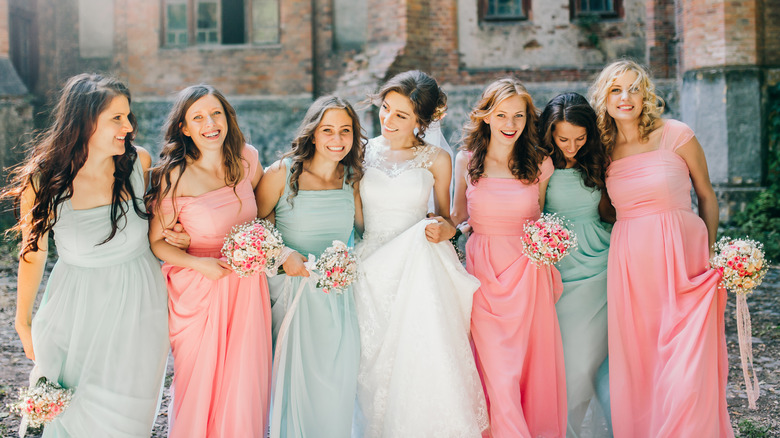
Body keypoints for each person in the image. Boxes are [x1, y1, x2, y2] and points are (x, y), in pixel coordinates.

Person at [2, 73, 171, 436]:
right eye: (116, 118)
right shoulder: (44, 181)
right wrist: (23, 320)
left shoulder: (137, 163)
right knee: (71, 410)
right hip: (75, 309)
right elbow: (33, 253)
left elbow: (164, 221)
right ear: (85, 121)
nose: (128, 126)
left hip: (139, 305)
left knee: (127, 410)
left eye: (128, 116)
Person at [589, 60, 732, 437]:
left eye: (634, 88)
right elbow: (606, 209)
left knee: (688, 359)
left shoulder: (677, 135)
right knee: (642, 359)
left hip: (685, 259)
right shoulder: (601, 151)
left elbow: (706, 195)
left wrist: (711, 255)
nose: (625, 97)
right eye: (616, 90)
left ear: (646, 94)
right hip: (632, 264)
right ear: (604, 97)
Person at [353, 70, 488, 437]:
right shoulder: (361, 152)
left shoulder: (436, 160)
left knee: (417, 359)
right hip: (370, 266)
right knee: (369, 365)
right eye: (385, 108)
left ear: (421, 121)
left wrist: (446, 229)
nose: (388, 120)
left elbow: (444, 216)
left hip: (417, 269)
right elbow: (354, 214)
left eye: (401, 115)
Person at [145, 85, 271, 438]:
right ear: (184, 128)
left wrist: (262, 245)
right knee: (199, 381)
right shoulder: (174, 175)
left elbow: (263, 212)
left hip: (247, 284)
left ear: (227, 117)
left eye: (216, 113)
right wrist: (200, 264)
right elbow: (157, 242)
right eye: (197, 117)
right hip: (199, 285)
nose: (209, 123)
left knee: (244, 379)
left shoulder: (248, 159)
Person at [451, 77, 566, 438]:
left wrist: (549, 240)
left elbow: (543, 215)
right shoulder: (466, 162)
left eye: (518, 116)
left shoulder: (541, 165)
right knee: (496, 371)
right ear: (486, 116)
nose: (510, 124)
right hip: (482, 272)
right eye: (501, 115)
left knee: (523, 368)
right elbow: (456, 218)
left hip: (528, 273)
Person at [255, 95, 364, 437]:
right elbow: (254, 228)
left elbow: (363, 235)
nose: (337, 139)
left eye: (345, 130)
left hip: (338, 299)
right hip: (293, 296)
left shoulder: (352, 179)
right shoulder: (281, 173)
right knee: (295, 388)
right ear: (313, 134)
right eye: (328, 130)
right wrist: (284, 253)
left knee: (336, 386)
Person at [539, 92, 613, 437]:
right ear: (550, 133)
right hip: (557, 267)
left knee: (592, 362)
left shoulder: (597, 160)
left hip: (601, 265)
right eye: (563, 138)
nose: (571, 146)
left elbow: (608, 211)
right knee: (566, 365)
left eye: (580, 139)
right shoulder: (539, 163)